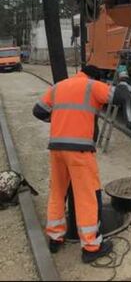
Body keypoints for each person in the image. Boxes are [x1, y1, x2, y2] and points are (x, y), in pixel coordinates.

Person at [33, 65, 125, 263]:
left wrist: (58, 119)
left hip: (56, 148)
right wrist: (125, 80)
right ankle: (91, 247)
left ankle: (55, 238)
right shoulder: (92, 86)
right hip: (80, 151)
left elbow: (38, 111)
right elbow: (120, 97)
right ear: (95, 76)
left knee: (58, 191)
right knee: (87, 195)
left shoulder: (59, 86)